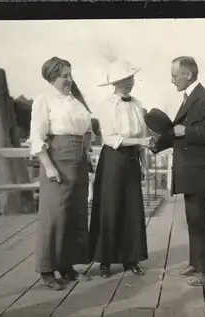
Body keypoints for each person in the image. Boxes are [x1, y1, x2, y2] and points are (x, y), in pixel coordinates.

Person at [149, 56, 205, 286]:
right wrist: (158, 144)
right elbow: (175, 132)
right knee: (192, 218)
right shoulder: (190, 98)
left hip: (199, 170)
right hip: (191, 169)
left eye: (175, 75)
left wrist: (187, 131)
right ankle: (196, 262)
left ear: (188, 75)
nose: (172, 80)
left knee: (198, 218)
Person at [30, 56, 94, 290]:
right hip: (58, 159)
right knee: (54, 216)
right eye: (64, 76)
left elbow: (87, 130)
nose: (69, 79)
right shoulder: (44, 100)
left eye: (70, 74)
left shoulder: (75, 100)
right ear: (52, 77)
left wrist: (86, 156)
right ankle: (47, 270)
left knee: (75, 214)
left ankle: (66, 264)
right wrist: (48, 167)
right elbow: (37, 138)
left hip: (78, 160)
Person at [88, 60, 151, 279]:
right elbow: (111, 138)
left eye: (131, 78)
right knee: (110, 206)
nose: (129, 83)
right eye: (124, 79)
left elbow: (141, 134)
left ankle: (130, 258)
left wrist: (144, 163)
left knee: (132, 208)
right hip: (113, 159)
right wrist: (141, 142)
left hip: (133, 158)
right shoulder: (106, 105)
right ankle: (105, 260)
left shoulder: (137, 104)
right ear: (115, 83)